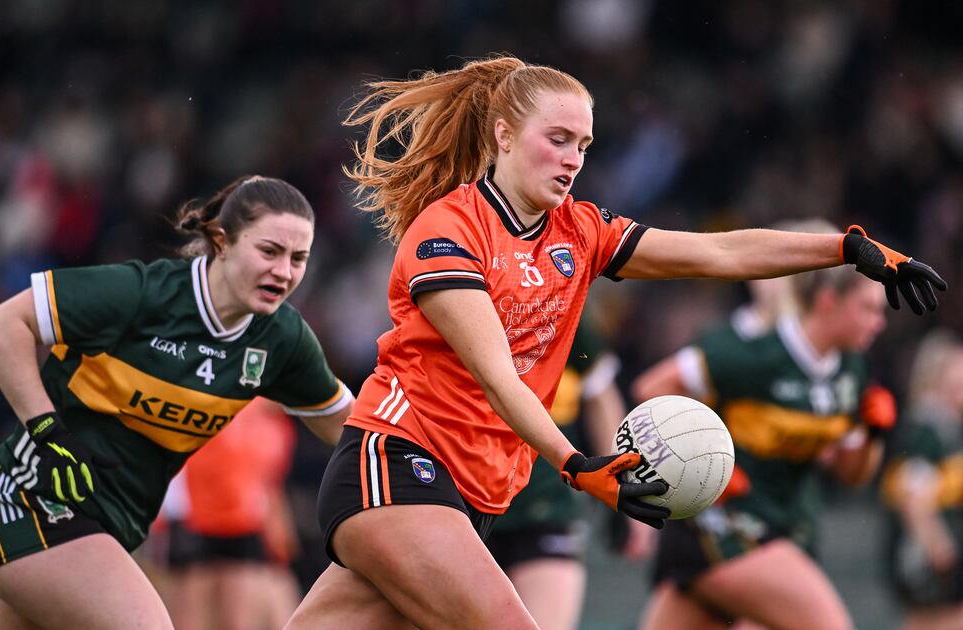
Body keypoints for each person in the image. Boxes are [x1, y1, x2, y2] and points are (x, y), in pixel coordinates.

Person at [284, 55, 945, 630]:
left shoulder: (581, 229)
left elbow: (716, 254)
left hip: (475, 492)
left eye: (585, 144)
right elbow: (496, 375)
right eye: (559, 138)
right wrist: (577, 465)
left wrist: (844, 248)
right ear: (504, 134)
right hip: (397, 467)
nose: (573, 158)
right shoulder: (449, 230)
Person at [0, 175, 354, 630]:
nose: (284, 272)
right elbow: (1, 326)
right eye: (269, 252)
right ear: (222, 241)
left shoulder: (282, 339)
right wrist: (46, 429)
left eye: (298, 259)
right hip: (29, 504)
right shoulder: (142, 294)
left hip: (109, 530)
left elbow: (348, 426)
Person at [633, 230, 902, 630]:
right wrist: (703, 464)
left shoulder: (853, 372)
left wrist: (873, 437)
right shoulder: (750, 352)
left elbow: (852, 475)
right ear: (829, 302)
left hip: (786, 532)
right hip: (720, 528)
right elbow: (652, 389)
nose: (879, 322)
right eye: (868, 308)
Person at [485, 314, 626, 630]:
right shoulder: (459, 297)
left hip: (548, 504)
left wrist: (618, 476)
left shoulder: (562, 308)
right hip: (465, 501)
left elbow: (600, 393)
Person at [157, 397, 303, 630]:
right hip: (198, 517)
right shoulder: (232, 409)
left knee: (237, 612)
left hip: (242, 522)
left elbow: (269, 481)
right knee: (192, 608)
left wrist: (277, 525)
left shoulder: (279, 427)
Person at [881, 329, 963, 630]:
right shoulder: (929, 425)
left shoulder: (949, 426)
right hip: (924, 558)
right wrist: (941, 552)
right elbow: (913, 497)